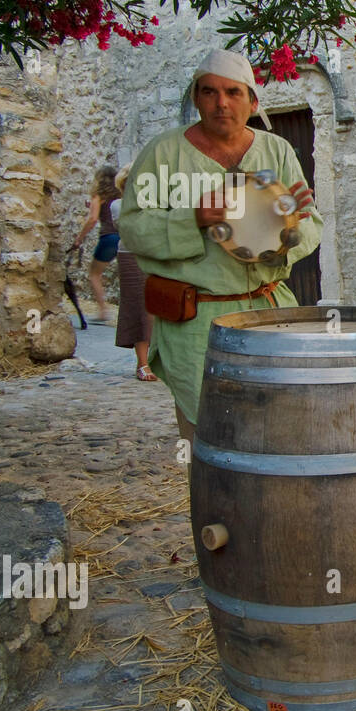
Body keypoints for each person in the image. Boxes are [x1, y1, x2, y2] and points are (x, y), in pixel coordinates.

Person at [119, 49, 320, 441]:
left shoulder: (276, 151)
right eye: (209, 92)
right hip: (198, 321)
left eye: (232, 92)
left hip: (268, 312)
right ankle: (216, 505)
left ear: (252, 101)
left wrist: (285, 232)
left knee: (276, 430)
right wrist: (193, 218)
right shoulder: (162, 154)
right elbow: (133, 227)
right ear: (197, 98)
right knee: (209, 436)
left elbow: (311, 224)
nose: (221, 102)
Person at [108, 165, 157, 381]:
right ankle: (143, 362)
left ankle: (158, 359)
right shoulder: (119, 205)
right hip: (133, 256)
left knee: (160, 308)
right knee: (140, 308)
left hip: (157, 257)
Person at [71, 165, 121, 323]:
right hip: (123, 238)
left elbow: (92, 219)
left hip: (108, 238)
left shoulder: (98, 195)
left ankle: (102, 311)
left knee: (94, 274)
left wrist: (79, 238)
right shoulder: (121, 194)